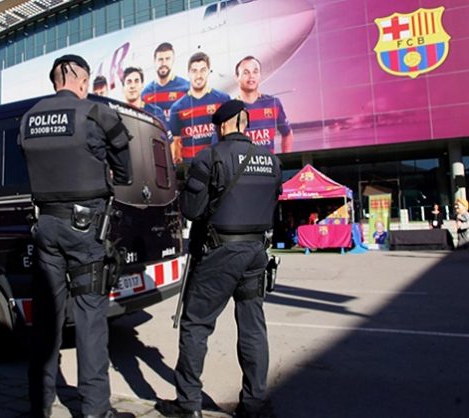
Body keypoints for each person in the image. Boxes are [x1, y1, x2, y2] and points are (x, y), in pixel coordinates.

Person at [18, 54, 133, 418]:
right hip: (84, 230)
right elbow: (125, 169)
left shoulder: (28, 119)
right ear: (82, 80)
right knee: (90, 319)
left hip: (45, 228)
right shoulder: (96, 114)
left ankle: (38, 408)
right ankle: (95, 411)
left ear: (55, 81)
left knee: (46, 321)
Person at [156, 100, 282, 418]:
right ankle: (254, 404)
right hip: (257, 254)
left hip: (220, 253)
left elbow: (192, 210)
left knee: (196, 325)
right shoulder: (271, 161)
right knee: (253, 328)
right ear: (245, 124)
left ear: (223, 125)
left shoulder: (209, 157)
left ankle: (188, 404)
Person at [168, 52, 230, 164]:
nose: (198, 75)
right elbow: (176, 147)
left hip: (218, 167)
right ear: (188, 73)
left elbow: (231, 137)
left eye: (203, 70)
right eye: (194, 71)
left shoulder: (223, 100)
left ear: (209, 71)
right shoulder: (177, 107)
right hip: (191, 170)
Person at [234, 56, 294, 154]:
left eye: (255, 71)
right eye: (246, 72)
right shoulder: (230, 108)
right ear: (237, 77)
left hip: (268, 168)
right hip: (243, 168)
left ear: (260, 75)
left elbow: (287, 134)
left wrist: (285, 160)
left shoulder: (273, 103)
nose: (251, 76)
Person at [141, 42, 190, 121]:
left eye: (167, 59)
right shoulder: (145, 94)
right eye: (160, 59)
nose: (163, 63)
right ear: (154, 61)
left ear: (173, 60)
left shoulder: (186, 88)